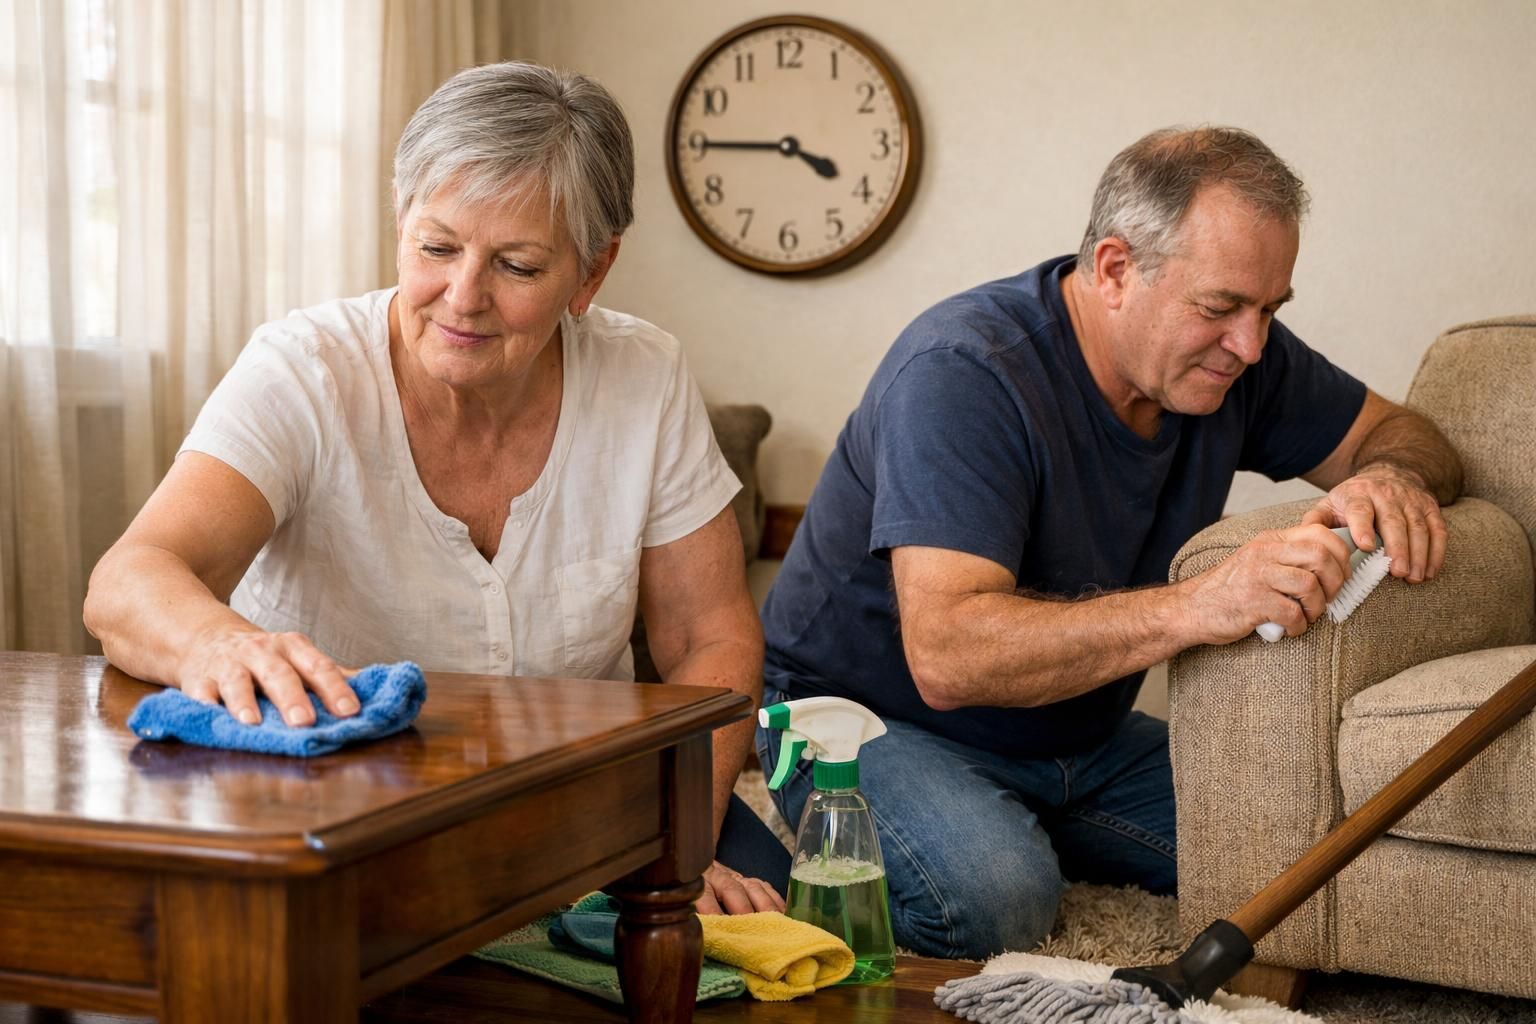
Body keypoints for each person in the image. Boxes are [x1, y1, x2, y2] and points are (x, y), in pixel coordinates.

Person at [84, 61, 786, 915]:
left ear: (592, 274)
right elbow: (130, 579)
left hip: (584, 793)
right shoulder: (303, 369)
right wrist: (218, 645)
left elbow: (710, 637)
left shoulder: (645, 373)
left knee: (766, 911)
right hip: (345, 803)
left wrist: (677, 845)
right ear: (399, 221)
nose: (463, 297)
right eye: (437, 247)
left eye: (517, 266)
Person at [756, 126, 1463, 959]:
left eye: (1271, 309)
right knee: (997, 900)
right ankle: (863, 852)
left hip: (1075, 735)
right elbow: (948, 656)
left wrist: (1392, 477)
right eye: (1220, 308)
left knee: (1306, 839)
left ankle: (1019, 822)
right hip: (862, 722)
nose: (1250, 344)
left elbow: (1406, 433)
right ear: (1116, 269)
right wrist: (1202, 604)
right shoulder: (964, 370)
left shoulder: (1240, 359)